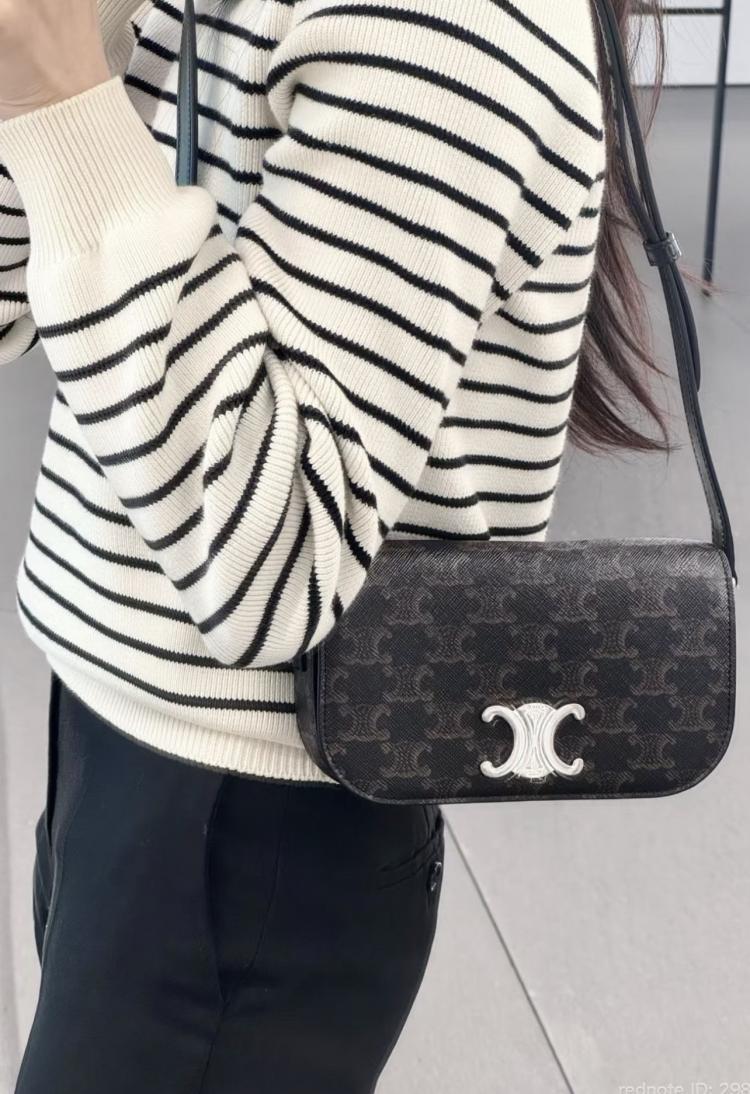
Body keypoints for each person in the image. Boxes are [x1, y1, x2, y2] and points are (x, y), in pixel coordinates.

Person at [0, 0, 670, 1090]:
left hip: (250, 821)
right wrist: (58, 63)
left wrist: (66, 98)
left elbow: (273, 570)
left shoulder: (445, 21)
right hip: (116, 725)